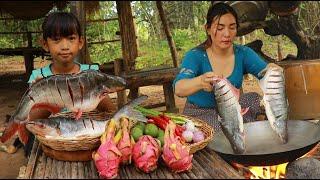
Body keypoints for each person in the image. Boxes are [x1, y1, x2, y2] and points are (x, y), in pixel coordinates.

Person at [12, 12, 117, 156]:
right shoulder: (39, 77)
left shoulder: (91, 73)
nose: (65, 46)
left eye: (71, 38)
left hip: (84, 135)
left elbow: (109, 110)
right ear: (45, 44)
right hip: (50, 139)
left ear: (80, 42)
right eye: (56, 40)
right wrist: (53, 95)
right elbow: (34, 120)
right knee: (31, 150)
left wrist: (99, 92)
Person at [173, 3, 282, 131]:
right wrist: (200, 82)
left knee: (253, 99)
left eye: (232, 27)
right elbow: (179, 88)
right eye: (220, 28)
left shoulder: (243, 53)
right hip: (201, 112)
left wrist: (272, 70)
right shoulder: (195, 56)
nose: (227, 34)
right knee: (221, 130)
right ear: (208, 29)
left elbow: (263, 71)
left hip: (232, 108)